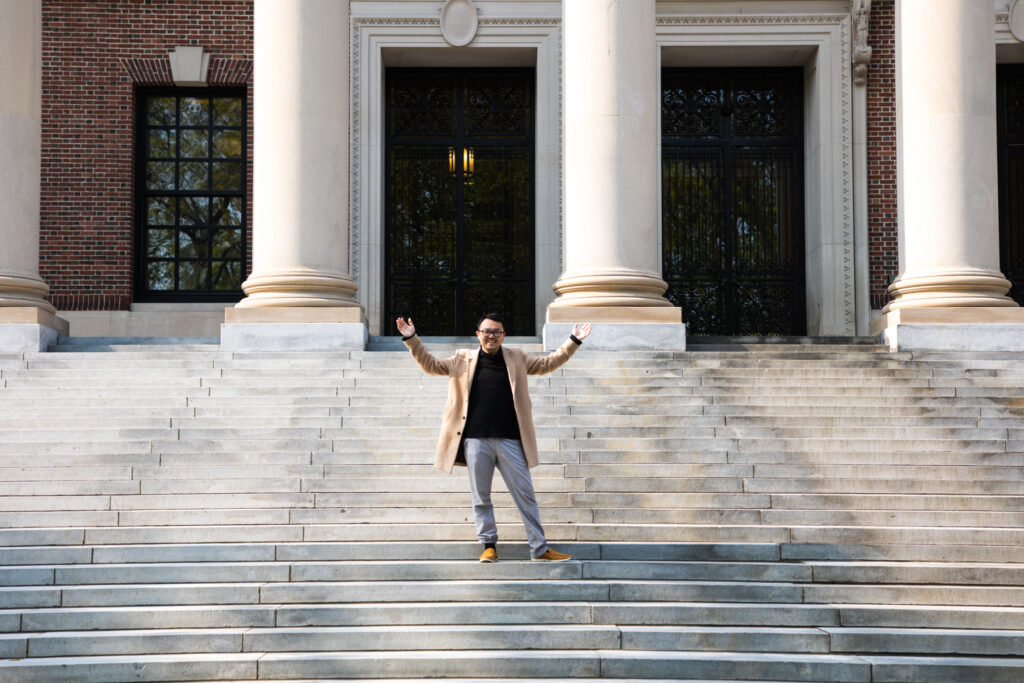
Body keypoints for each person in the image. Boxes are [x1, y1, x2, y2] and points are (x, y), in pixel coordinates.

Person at [396, 313, 592, 562]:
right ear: (478, 334)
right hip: (475, 441)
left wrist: (573, 340)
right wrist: (412, 338)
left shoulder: (516, 358)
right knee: (481, 496)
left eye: (496, 331)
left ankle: (539, 548)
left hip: (510, 440)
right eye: (486, 331)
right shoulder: (461, 359)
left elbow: (547, 363)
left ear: (503, 335)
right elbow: (431, 364)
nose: (491, 335)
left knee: (526, 495)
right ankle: (488, 545)